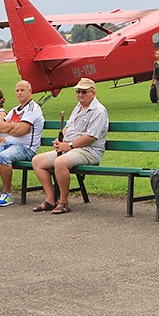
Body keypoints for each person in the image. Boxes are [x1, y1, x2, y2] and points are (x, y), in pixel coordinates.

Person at [31, 78, 109, 214]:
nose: (80, 95)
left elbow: (91, 137)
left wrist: (69, 146)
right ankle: (50, 199)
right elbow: (68, 126)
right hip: (70, 149)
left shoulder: (99, 111)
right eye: (78, 91)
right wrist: (60, 139)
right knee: (37, 161)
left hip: (88, 151)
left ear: (93, 93)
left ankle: (64, 201)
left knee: (60, 162)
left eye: (84, 92)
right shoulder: (78, 107)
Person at [0, 80, 45, 207]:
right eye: (17, 90)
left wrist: (11, 128)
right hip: (7, 144)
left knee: (4, 157)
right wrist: (14, 125)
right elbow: (1, 128)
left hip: (26, 148)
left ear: (30, 91)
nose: (19, 93)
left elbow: (21, 131)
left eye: (22, 90)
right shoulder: (14, 110)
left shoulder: (33, 108)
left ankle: (7, 194)